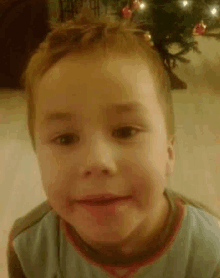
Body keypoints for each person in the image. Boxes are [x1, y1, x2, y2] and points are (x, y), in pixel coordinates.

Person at [7, 9, 220, 278]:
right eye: (65, 138)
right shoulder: (29, 249)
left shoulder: (210, 253)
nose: (97, 161)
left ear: (169, 151)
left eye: (125, 131)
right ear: (37, 155)